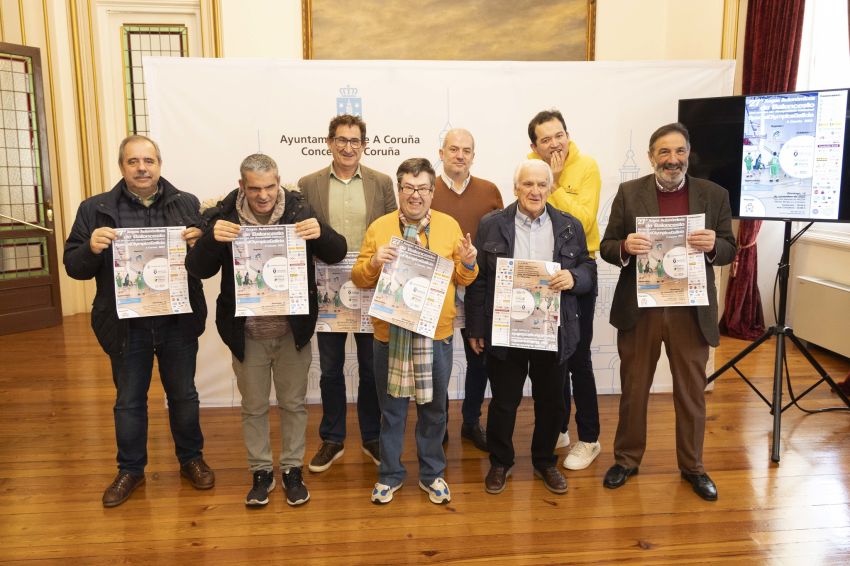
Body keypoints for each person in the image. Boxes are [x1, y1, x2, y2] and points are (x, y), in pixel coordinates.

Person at [185, 154, 346, 507]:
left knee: (293, 404)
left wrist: (322, 234)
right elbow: (197, 270)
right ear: (242, 186)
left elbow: (337, 252)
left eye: (270, 187)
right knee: (254, 407)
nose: (263, 195)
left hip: (293, 330)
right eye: (255, 188)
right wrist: (212, 240)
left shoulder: (300, 211)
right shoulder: (223, 216)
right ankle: (261, 471)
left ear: (279, 182)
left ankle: (291, 470)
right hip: (246, 334)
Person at [63, 135, 214, 508]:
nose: (142, 168)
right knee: (129, 401)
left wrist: (202, 243)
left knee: (184, 395)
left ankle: (191, 459)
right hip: (126, 324)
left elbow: (205, 269)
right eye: (133, 162)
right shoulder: (94, 209)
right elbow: (73, 267)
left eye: (148, 160)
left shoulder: (186, 204)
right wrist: (90, 247)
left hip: (176, 320)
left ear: (160, 164)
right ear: (122, 167)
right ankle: (130, 469)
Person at [599, 122, 736, 501]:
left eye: (678, 152)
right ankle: (626, 460)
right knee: (634, 389)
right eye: (664, 152)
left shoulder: (714, 195)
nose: (672, 160)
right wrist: (625, 245)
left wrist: (713, 247)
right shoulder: (629, 193)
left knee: (692, 392)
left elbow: (729, 247)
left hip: (690, 310)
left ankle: (693, 466)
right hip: (640, 309)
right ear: (651, 156)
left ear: (687, 154)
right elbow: (607, 246)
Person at [465, 159, 596, 495]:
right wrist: (476, 327)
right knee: (504, 402)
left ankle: (544, 461)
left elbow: (587, 268)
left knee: (551, 402)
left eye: (541, 184)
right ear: (516, 188)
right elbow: (478, 281)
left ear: (550, 188)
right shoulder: (491, 225)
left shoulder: (570, 225)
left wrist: (575, 276)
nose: (535, 191)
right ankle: (501, 461)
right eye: (528, 184)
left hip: (552, 331)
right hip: (505, 329)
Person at [352, 158, 478, 505]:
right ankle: (390, 475)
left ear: (432, 191)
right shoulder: (379, 227)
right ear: (399, 189)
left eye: (422, 188)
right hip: (389, 335)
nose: (415, 195)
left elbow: (465, 279)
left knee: (434, 408)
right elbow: (359, 278)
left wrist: (468, 260)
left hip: (435, 335)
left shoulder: (449, 226)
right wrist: (375, 262)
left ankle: (432, 474)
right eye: (408, 187)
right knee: (391, 410)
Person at [298, 114, 396, 473]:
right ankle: (333, 438)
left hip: (371, 284)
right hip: (327, 292)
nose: (348, 147)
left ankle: (372, 436)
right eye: (341, 140)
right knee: (330, 369)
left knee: (372, 369)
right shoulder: (308, 184)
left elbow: (392, 231)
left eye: (355, 141)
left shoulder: (382, 182)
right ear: (329, 142)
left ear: (364, 144)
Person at [527, 109, 603, 470]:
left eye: (560, 135)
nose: (555, 143)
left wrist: (554, 185)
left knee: (578, 358)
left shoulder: (586, 166)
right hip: (542, 274)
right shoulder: (528, 167)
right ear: (534, 145)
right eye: (546, 139)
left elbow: (585, 222)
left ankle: (589, 438)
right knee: (551, 355)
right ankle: (559, 428)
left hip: (578, 271)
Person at [430, 128, 504, 452]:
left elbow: (503, 237)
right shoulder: (425, 189)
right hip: (439, 287)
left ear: (473, 156)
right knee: (437, 362)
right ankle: (439, 422)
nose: (460, 155)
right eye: (453, 149)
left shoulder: (489, 191)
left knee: (480, 359)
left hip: (479, 289)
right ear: (441, 153)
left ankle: (471, 421)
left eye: (466, 150)